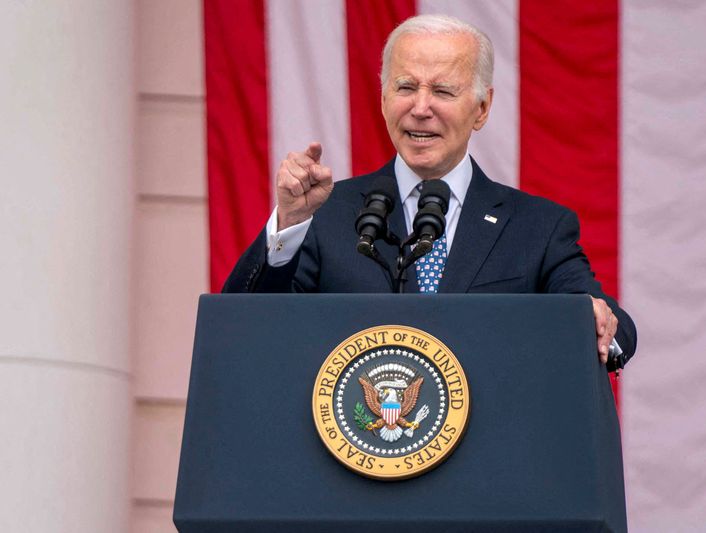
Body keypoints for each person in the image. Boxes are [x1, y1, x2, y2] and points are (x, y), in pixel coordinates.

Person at [223, 14, 636, 370]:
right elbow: (246, 328)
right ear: (384, 98)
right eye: (405, 87)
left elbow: (613, 328)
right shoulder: (326, 214)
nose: (421, 107)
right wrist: (290, 223)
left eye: (442, 91)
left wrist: (596, 321)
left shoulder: (537, 227)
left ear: (482, 108)